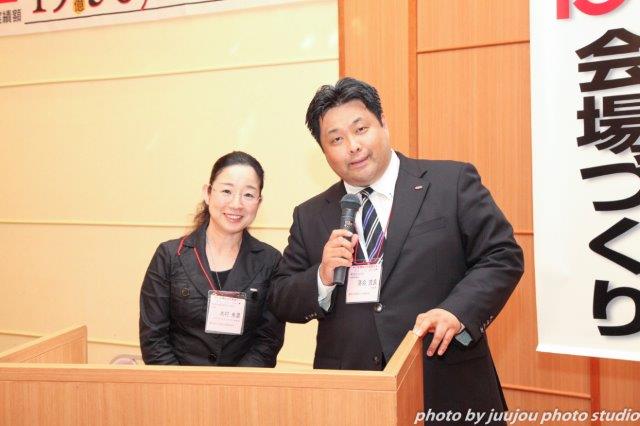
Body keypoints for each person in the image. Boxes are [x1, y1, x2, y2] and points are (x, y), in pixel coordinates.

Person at [268, 77, 524, 420]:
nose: (353, 146)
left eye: (361, 129)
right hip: (354, 396)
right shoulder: (310, 215)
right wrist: (322, 277)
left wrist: (457, 311)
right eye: (337, 139)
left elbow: (502, 256)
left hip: (445, 380)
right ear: (324, 151)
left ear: (383, 124)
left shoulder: (450, 182)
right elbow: (281, 297)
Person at [140, 151, 284, 367]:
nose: (236, 204)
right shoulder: (169, 256)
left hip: (242, 385)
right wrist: (184, 384)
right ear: (207, 193)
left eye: (248, 195)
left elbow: (268, 341)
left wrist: (231, 384)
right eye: (227, 191)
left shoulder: (270, 261)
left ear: (259, 202)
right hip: (178, 384)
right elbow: (153, 338)